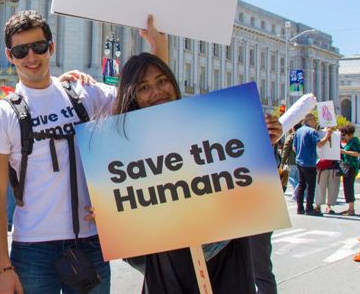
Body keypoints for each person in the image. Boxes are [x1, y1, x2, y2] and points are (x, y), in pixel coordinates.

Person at [0, 11, 166, 294]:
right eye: (21, 50)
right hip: (32, 249)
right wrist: (3, 268)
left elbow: (145, 101)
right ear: (10, 55)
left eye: (39, 47)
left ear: (52, 47)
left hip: (89, 242)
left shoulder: (84, 94)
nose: (32, 56)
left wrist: (158, 48)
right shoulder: (2, 114)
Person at [107, 52, 283, 294]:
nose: (157, 91)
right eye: (144, 87)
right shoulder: (123, 149)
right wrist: (110, 215)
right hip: (170, 270)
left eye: (162, 81)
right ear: (133, 96)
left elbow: (248, 191)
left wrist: (262, 142)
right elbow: (131, 243)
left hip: (228, 260)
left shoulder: (211, 126)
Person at [293, 114, 321, 216]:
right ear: (309, 120)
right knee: (310, 186)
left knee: (301, 184)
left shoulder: (298, 131)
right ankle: (309, 208)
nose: (315, 122)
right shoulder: (312, 131)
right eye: (314, 120)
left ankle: (300, 208)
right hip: (309, 162)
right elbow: (320, 144)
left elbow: (294, 148)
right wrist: (328, 135)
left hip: (299, 161)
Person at [313, 125, 338, 214]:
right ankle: (318, 205)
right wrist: (327, 135)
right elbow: (319, 146)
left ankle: (328, 205)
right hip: (321, 165)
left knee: (332, 187)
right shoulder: (319, 134)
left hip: (332, 165)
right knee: (320, 186)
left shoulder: (336, 136)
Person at [339, 124, 360, 216]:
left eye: (344, 135)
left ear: (349, 134)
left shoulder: (354, 141)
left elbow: (358, 153)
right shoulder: (348, 142)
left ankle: (351, 209)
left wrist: (344, 152)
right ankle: (350, 207)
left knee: (349, 187)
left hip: (351, 166)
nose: (343, 136)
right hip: (346, 166)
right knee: (346, 187)